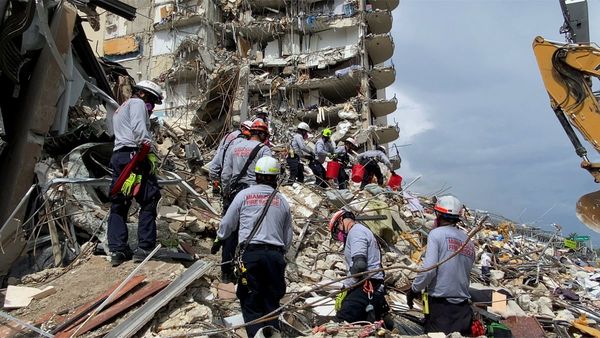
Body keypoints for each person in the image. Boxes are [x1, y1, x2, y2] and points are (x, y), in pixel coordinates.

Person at [215, 156, 293, 337]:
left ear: (256, 176)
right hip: (275, 256)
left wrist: (219, 238)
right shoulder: (282, 201)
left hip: (251, 256)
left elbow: (227, 224)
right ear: (275, 178)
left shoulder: (243, 195)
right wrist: (280, 254)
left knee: (250, 302)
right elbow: (287, 237)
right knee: (272, 303)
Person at [107, 80, 164, 266]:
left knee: (119, 202)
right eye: (152, 102)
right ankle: (145, 247)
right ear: (143, 94)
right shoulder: (138, 103)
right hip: (135, 154)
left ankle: (117, 249)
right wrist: (147, 149)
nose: (152, 107)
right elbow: (140, 131)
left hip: (119, 156)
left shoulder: (120, 108)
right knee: (149, 198)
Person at [406, 195, 475, 335]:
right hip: (463, 310)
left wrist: (414, 289)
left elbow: (428, 270)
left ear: (438, 215)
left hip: (441, 309)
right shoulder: (469, 242)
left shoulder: (436, 234)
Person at [216, 120, 272, 282]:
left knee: (231, 233)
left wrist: (226, 193)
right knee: (253, 234)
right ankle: (249, 272)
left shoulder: (234, 147)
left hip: (234, 194)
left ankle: (226, 271)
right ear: (261, 134)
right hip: (255, 196)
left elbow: (226, 174)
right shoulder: (264, 150)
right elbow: (268, 173)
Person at [328, 209, 391, 326]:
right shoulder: (361, 230)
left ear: (341, 220)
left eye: (337, 229)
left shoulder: (356, 232)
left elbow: (359, 265)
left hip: (366, 286)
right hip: (372, 286)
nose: (339, 234)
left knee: (342, 323)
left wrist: (346, 287)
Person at [208, 121, 252, 193]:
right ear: (243, 128)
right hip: (229, 176)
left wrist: (214, 176)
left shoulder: (229, 135)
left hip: (220, 171)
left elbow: (219, 154)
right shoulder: (240, 141)